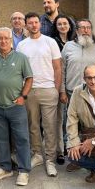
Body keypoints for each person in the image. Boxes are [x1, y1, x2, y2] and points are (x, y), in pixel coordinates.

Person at [0, 27, 33, 186]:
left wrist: (23, 96)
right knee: (0, 139)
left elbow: (29, 78)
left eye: (6, 39)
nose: (3, 41)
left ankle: (24, 171)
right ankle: (5, 167)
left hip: (16, 107)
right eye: (0, 39)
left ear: (11, 40)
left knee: (22, 138)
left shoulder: (21, 57)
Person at [61, 18, 95, 172]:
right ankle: (76, 158)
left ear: (91, 30)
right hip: (72, 93)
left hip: (94, 93)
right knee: (71, 125)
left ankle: (92, 157)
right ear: (76, 30)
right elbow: (62, 70)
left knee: (91, 127)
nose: (85, 30)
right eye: (82, 27)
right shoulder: (68, 47)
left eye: (88, 27)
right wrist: (62, 90)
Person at [16, 12, 62, 177]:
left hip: (48, 89)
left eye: (36, 22)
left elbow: (57, 67)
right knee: (33, 125)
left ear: (40, 24)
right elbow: (19, 70)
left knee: (50, 126)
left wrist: (56, 90)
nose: (34, 25)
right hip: (30, 90)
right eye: (30, 23)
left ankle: (50, 159)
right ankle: (37, 154)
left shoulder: (50, 42)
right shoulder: (22, 45)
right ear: (26, 25)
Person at [50, 13, 77, 165]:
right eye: (59, 24)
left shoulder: (76, 42)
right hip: (60, 85)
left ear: (70, 25)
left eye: (65, 23)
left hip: (74, 85)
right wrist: (60, 89)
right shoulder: (52, 42)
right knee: (59, 120)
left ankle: (73, 148)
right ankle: (60, 150)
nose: (62, 26)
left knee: (73, 120)